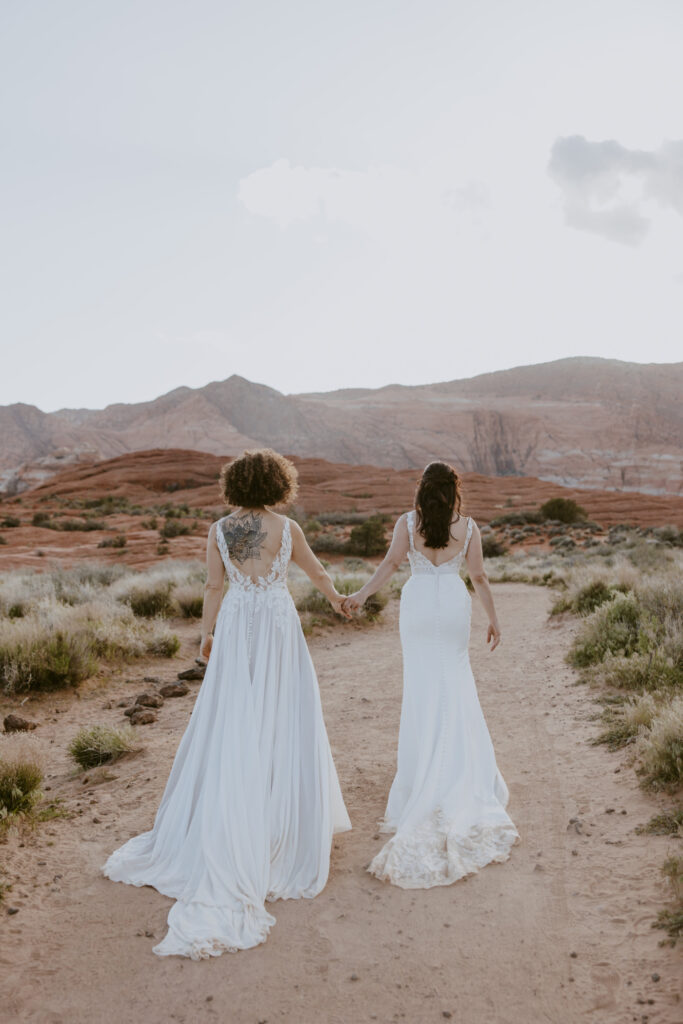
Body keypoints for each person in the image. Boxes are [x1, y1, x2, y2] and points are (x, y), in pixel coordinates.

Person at [102, 448, 351, 958]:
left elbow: (213, 587)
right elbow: (318, 575)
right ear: (279, 483)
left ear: (234, 484)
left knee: (235, 717)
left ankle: (237, 819)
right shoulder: (288, 529)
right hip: (279, 627)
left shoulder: (218, 530)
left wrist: (204, 636)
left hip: (238, 624)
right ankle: (279, 823)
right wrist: (339, 602)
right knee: (282, 717)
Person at [343, 460, 519, 888]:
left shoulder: (409, 522)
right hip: (453, 605)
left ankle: (423, 773)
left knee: (422, 688)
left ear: (423, 489)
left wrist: (362, 595)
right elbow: (477, 575)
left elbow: (389, 564)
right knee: (456, 683)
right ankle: (459, 770)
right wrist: (494, 619)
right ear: (454, 490)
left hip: (419, 604)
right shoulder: (469, 527)